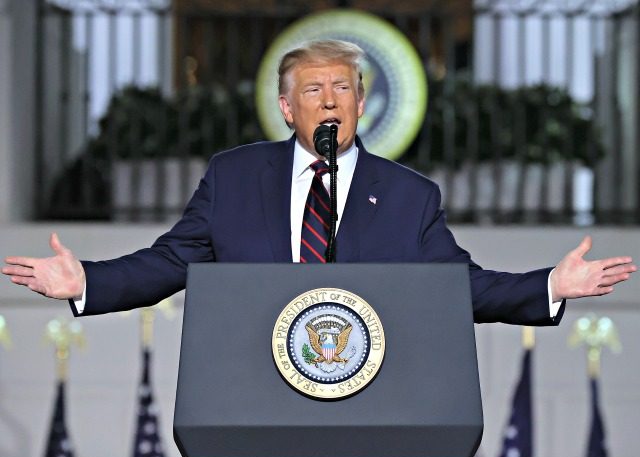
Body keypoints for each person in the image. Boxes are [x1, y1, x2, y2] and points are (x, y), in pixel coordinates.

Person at [1, 40, 636, 324]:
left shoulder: (411, 196)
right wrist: (87, 280)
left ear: (361, 104)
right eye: (313, 89)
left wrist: (549, 286)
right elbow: (171, 262)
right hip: (251, 400)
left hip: (373, 407)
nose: (330, 101)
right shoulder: (235, 177)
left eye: (343, 89)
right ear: (286, 106)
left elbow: (458, 289)